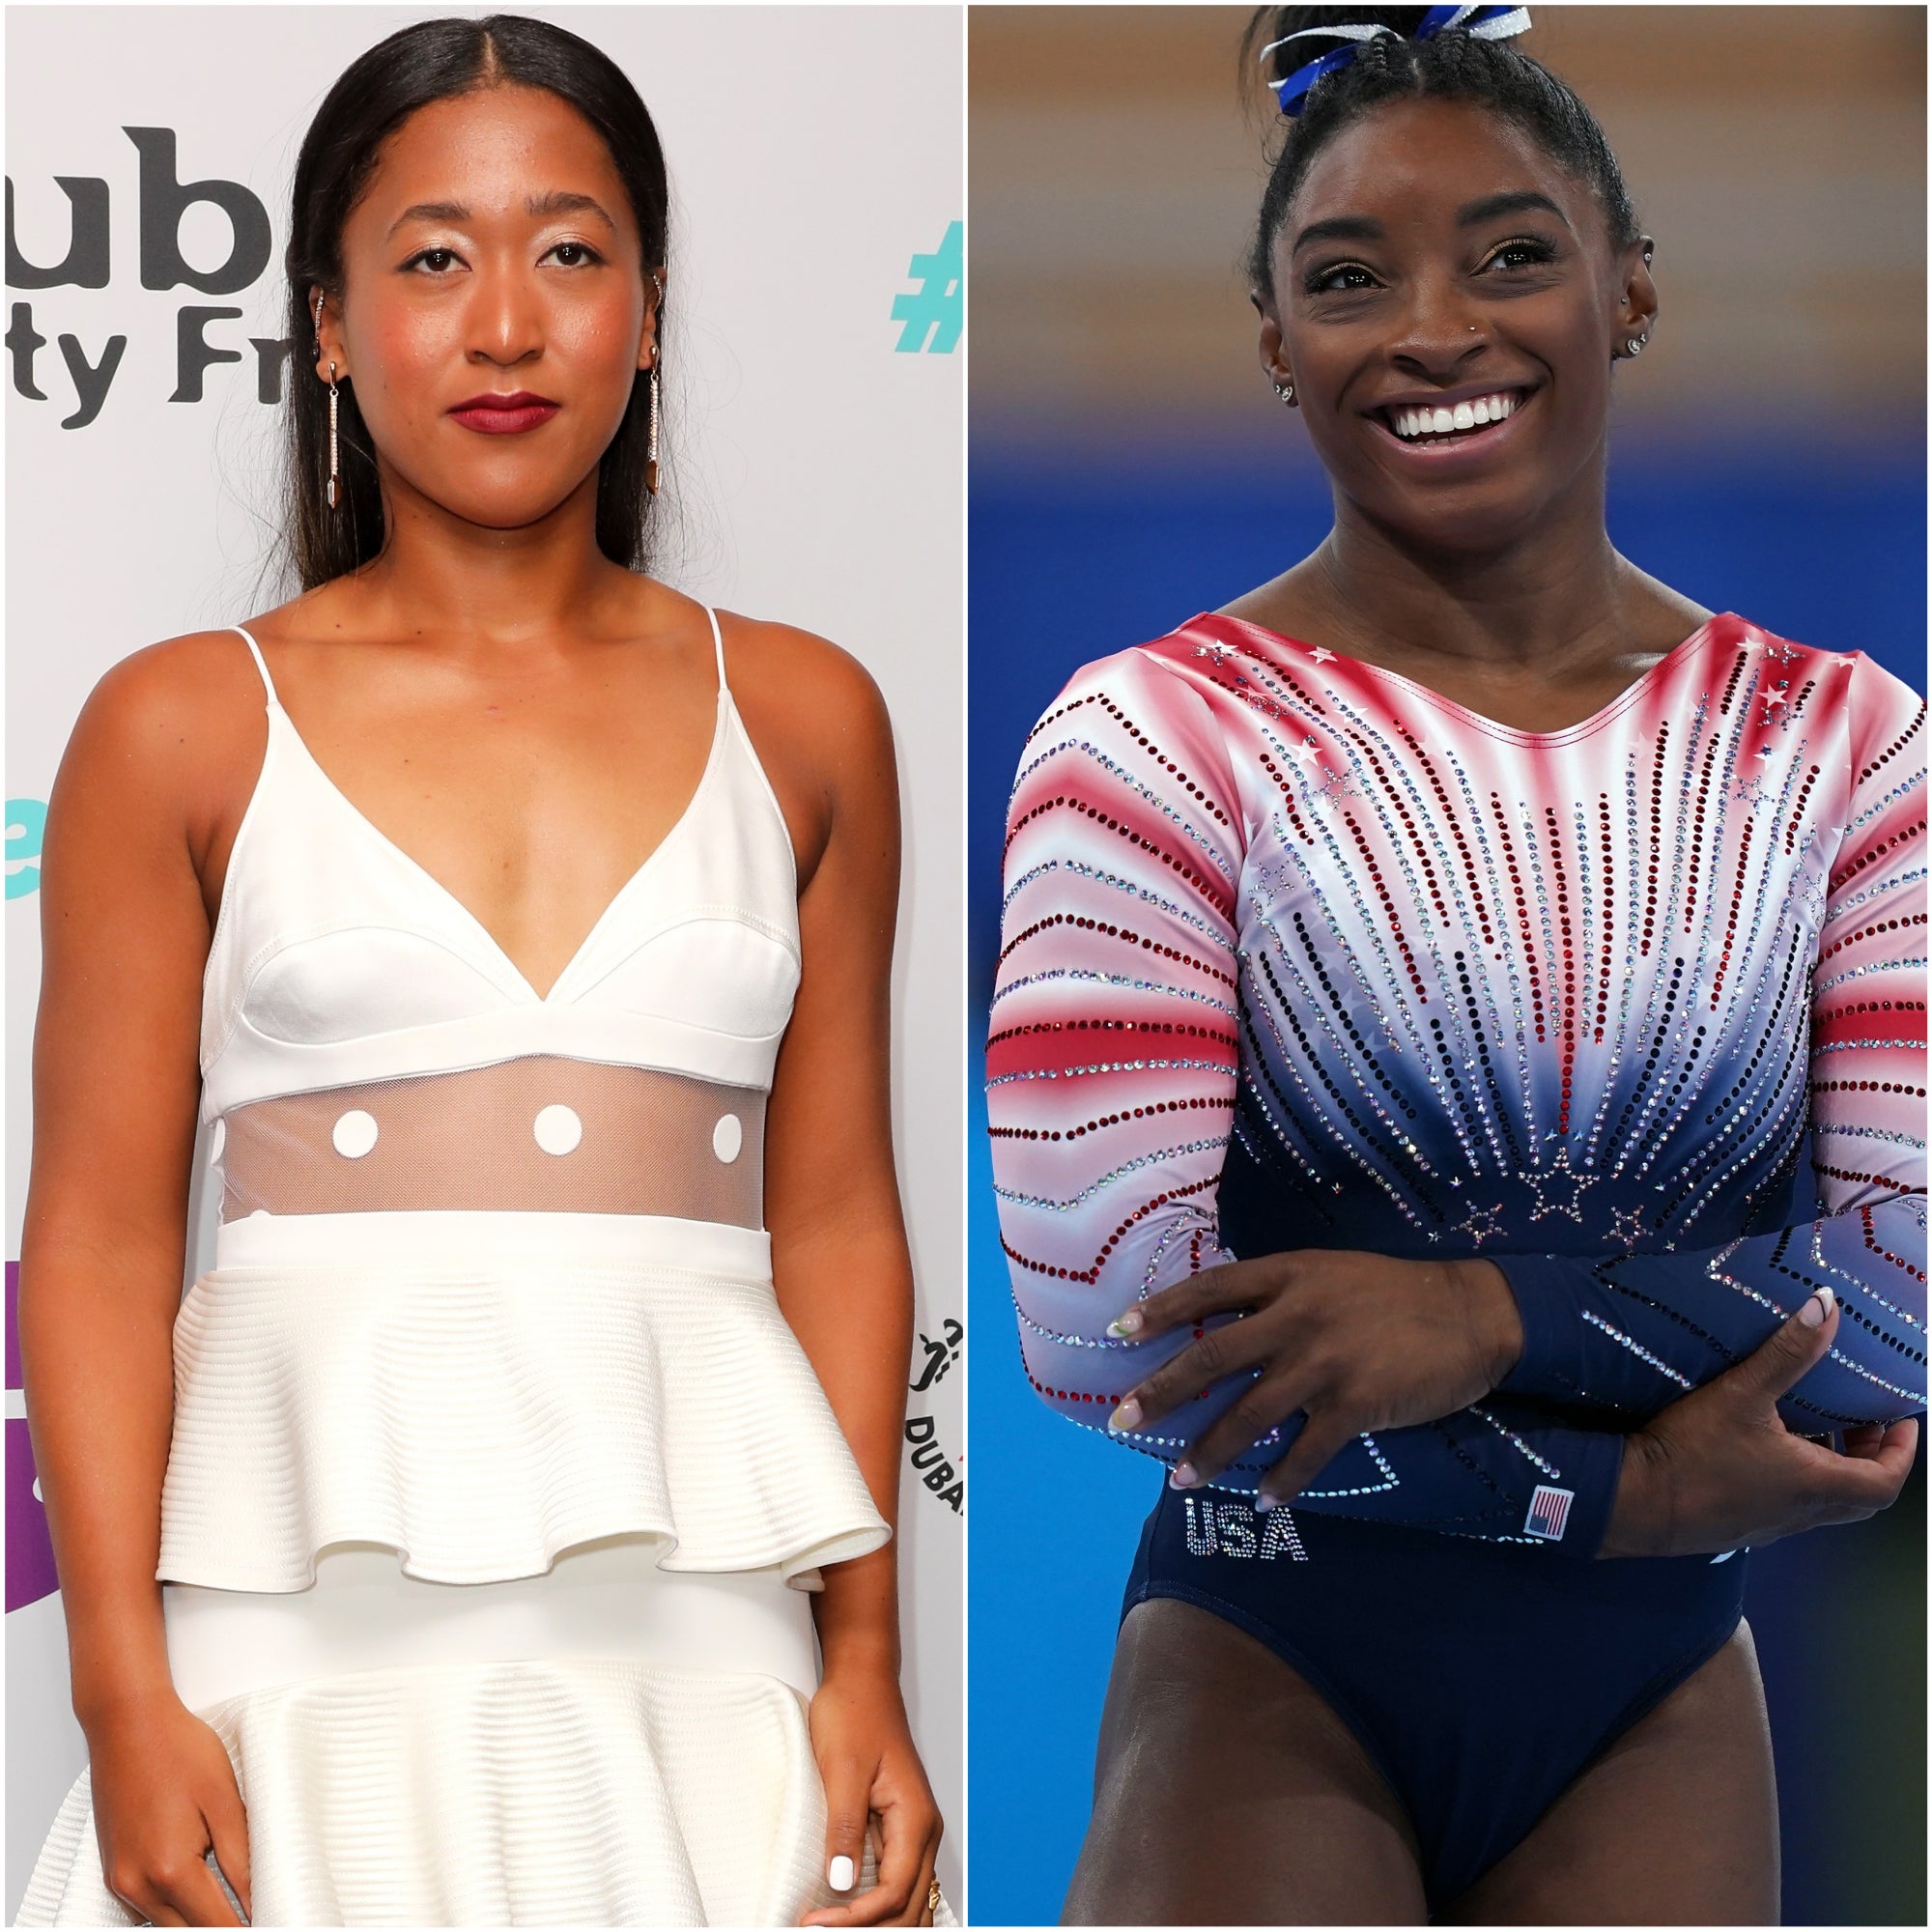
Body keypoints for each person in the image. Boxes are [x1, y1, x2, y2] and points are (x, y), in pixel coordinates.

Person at [987, 7, 1924, 1923]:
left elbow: (1904, 1297)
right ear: (1274, 343)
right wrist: (1623, 1488)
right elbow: (1110, 1331)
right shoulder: (1155, 740)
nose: (1432, 326)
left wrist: (1488, 1315)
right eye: (1347, 277)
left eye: (1509, 252)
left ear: (1628, 287)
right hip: (1279, 1670)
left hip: (1654, 1698)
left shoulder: (1843, 748)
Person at [16, 14, 947, 1927]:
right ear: (333, 325)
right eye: (434, 257)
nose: (505, 325)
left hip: (709, 1673)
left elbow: (837, 1221)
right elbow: (101, 1241)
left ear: (654, 307)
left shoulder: (805, 717)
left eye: (570, 251)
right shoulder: (180, 726)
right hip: (287, 1681)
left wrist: (866, 1665)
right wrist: (124, 1691)